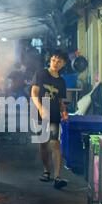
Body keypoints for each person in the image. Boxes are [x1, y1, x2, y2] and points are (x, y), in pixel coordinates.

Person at [31, 50, 69, 190]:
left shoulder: (61, 81)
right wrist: (40, 108)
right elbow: (34, 94)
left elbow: (60, 101)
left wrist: (64, 111)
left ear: (63, 64)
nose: (55, 63)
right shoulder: (41, 74)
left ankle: (57, 177)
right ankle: (46, 170)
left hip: (53, 115)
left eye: (59, 61)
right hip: (40, 114)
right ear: (50, 60)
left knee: (55, 144)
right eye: (54, 60)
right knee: (43, 144)